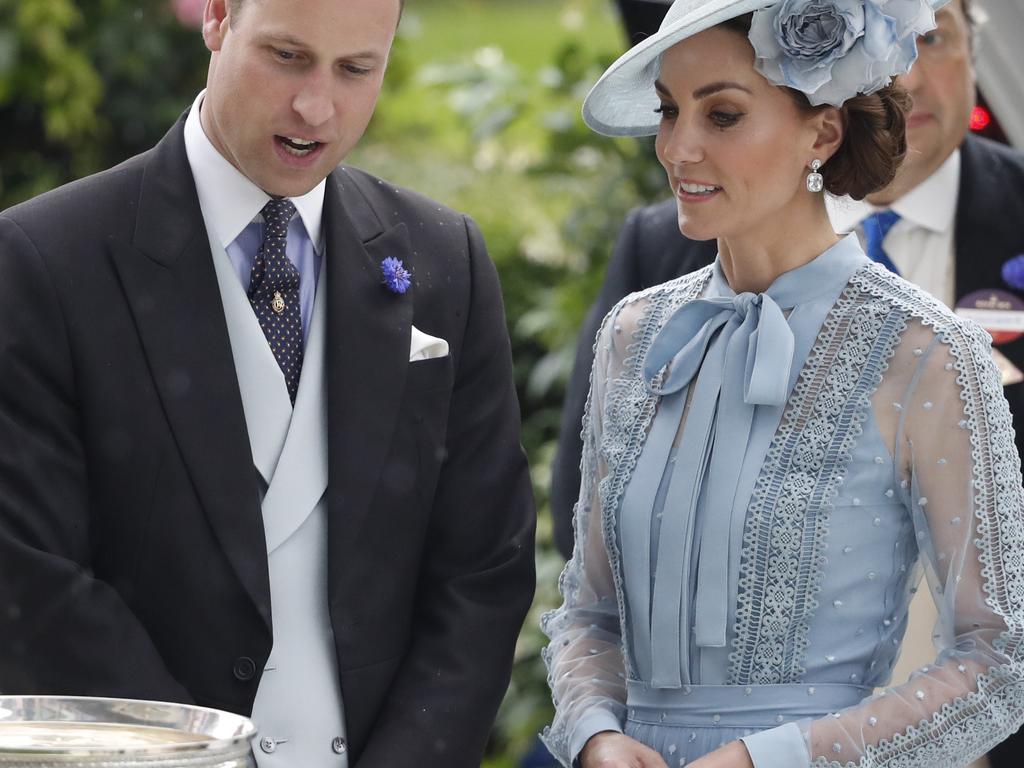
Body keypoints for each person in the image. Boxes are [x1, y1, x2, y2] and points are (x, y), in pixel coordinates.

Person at [0, 1, 536, 767]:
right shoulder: (43, 261)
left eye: (357, 69)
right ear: (218, 16)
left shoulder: (444, 260)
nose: (317, 107)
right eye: (287, 57)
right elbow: (30, 577)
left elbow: (484, 568)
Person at [541, 1, 1024, 766]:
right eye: (670, 112)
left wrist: (778, 757)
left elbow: (999, 662)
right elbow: (590, 614)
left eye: (722, 115)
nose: (677, 147)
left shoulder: (925, 350)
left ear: (822, 132)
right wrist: (596, 734)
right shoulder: (634, 335)